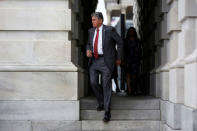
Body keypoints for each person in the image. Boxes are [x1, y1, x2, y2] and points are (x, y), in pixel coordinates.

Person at [86, 12, 123, 122]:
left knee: (106, 85)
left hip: (106, 61)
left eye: (94, 20)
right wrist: (88, 49)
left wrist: (118, 58)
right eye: (92, 19)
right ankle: (101, 102)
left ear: (100, 21)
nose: (92, 21)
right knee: (93, 82)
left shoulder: (110, 30)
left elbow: (120, 42)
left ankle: (107, 112)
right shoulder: (90, 31)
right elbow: (88, 43)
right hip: (94, 61)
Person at [124, 27, 142, 96]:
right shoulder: (125, 40)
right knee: (128, 74)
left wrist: (139, 58)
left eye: (132, 31)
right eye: (130, 31)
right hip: (127, 59)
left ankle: (134, 88)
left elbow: (140, 50)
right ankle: (129, 90)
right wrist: (123, 59)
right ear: (128, 32)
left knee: (134, 75)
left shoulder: (137, 41)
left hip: (135, 59)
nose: (131, 32)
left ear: (134, 32)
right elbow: (123, 50)